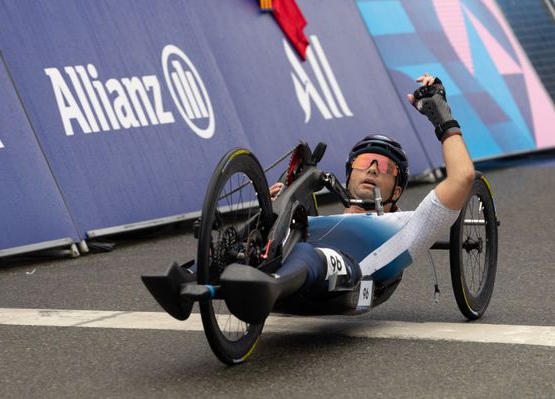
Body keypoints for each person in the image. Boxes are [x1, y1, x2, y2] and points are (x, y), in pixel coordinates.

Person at [143, 73, 475, 323]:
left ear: (398, 190)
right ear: (347, 175)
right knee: (269, 233)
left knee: (307, 252)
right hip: (285, 267)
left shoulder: (405, 226)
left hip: (345, 279)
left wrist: (441, 116)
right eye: (363, 162)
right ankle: (188, 277)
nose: (373, 168)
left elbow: (462, 177)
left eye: (385, 166)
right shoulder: (314, 219)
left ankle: (264, 289)